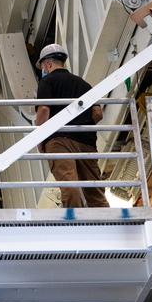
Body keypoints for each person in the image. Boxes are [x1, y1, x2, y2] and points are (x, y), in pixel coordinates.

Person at [35, 42, 108, 209]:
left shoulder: (47, 82)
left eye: (44, 67)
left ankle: (73, 221)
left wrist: (40, 140)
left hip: (59, 141)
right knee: (94, 188)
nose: (44, 70)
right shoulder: (83, 84)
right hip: (86, 141)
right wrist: (82, 124)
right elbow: (98, 113)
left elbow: (44, 109)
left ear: (48, 63)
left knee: (69, 185)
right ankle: (105, 221)